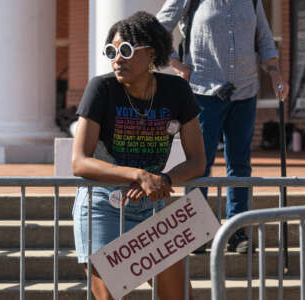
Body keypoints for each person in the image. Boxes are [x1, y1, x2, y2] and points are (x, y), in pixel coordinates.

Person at [72, 11, 205, 300]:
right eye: (112, 51)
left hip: (152, 206)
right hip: (102, 206)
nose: (117, 58)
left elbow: (198, 161)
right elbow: (79, 161)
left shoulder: (177, 91)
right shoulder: (101, 88)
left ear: (152, 53)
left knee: (179, 297)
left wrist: (164, 179)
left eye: (126, 50)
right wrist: (139, 175)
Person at [157, 0, 290, 253]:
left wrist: (275, 73)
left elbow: (263, 37)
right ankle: (195, 232)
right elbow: (159, 27)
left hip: (245, 91)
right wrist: (176, 65)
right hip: (203, 92)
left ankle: (237, 232)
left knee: (240, 164)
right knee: (199, 163)